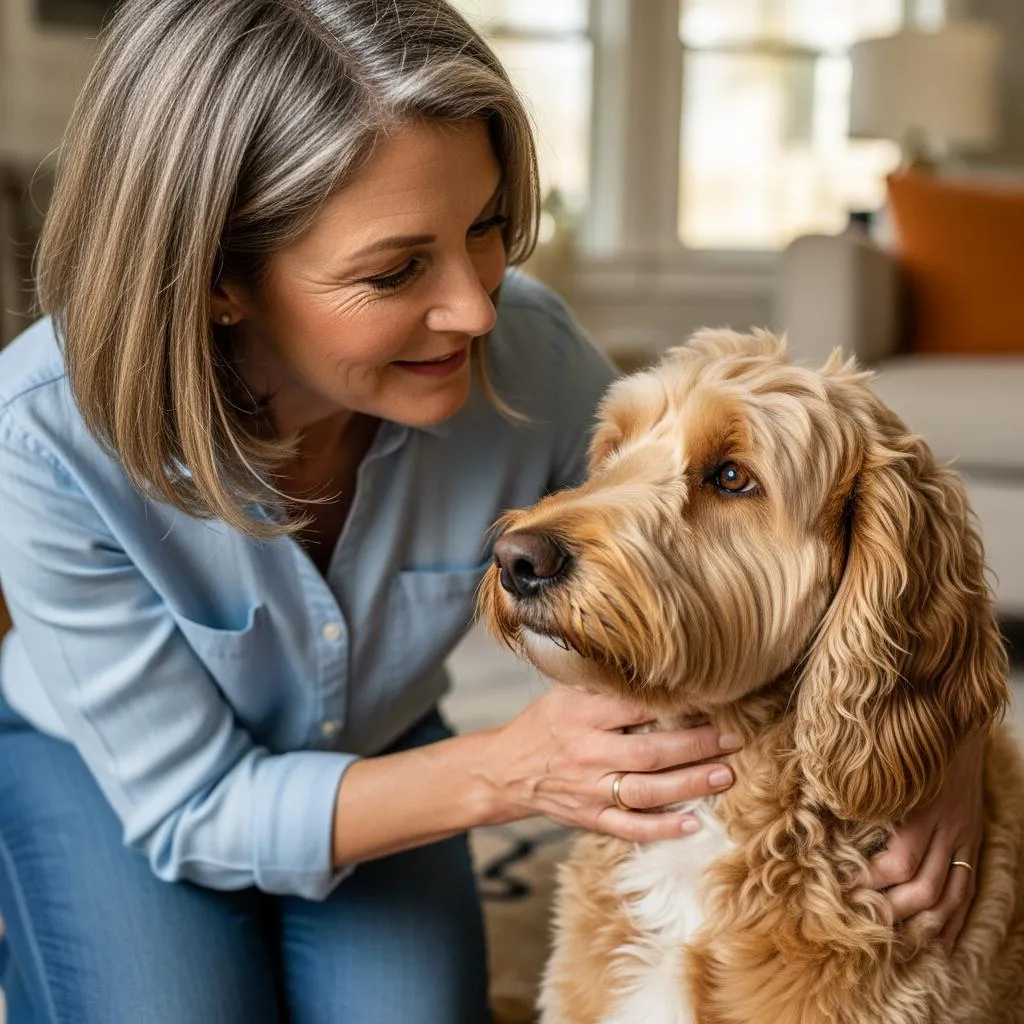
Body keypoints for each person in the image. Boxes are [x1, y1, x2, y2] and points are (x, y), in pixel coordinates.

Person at [0, 1, 985, 1021]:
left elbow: (722, 547)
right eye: (395, 270)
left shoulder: (527, 353)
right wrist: (507, 773)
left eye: (483, 229)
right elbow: (191, 806)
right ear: (218, 281)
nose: (474, 306)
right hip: (120, 780)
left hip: (378, 743)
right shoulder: (41, 436)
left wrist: (941, 750)